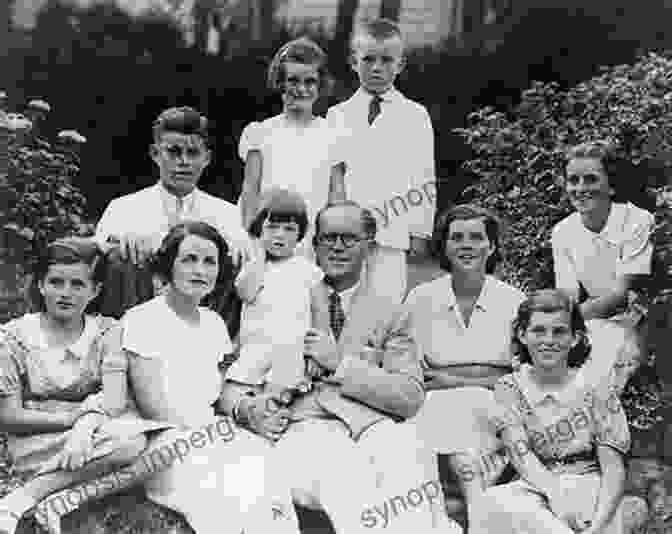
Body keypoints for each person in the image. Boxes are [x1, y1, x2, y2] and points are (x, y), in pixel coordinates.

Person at [219, 201, 462, 534]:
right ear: (314, 244)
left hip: (373, 423)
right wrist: (246, 408)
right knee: (344, 474)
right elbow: (230, 372)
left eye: (349, 238)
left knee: (409, 450)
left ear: (369, 246)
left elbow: (410, 396)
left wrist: (340, 365)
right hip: (302, 425)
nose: (336, 246)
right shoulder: (276, 293)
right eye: (328, 237)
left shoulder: (391, 309)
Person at [45, 222, 300, 534]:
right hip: (166, 441)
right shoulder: (144, 320)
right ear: (169, 266)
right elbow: (157, 409)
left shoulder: (214, 323)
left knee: (266, 473)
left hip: (211, 433)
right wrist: (217, 436)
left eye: (210, 262)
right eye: (189, 259)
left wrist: (247, 409)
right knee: (229, 493)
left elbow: (216, 392)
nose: (200, 270)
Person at [0, 238, 162, 534]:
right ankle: (28, 497)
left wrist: (84, 429)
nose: (66, 293)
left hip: (94, 434)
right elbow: (9, 417)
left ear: (95, 290)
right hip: (38, 436)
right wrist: (72, 421)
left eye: (78, 284)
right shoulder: (12, 338)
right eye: (56, 282)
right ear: (40, 285)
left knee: (149, 447)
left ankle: (50, 498)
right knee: (132, 445)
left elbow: (114, 398)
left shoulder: (107, 331)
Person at [471, 290, 630, 534]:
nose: (548, 340)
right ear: (522, 335)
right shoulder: (510, 387)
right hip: (537, 484)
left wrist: (598, 526)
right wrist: (557, 496)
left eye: (559, 331)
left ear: (575, 338)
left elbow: (613, 469)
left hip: (591, 486)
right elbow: (521, 456)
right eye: (538, 331)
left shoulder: (596, 386)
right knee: (490, 504)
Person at [404, 204, 526, 508]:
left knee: (470, 456)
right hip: (435, 404)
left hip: (494, 403)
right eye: (457, 238)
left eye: (476, 237)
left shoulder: (513, 301)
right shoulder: (421, 298)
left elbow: (521, 375)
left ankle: (475, 512)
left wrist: (453, 378)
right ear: (444, 247)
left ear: (492, 245)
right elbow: (415, 372)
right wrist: (481, 375)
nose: (467, 245)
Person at [94, 106, 250, 326]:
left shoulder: (227, 214)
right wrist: (119, 241)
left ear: (206, 158)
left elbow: (247, 272)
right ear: (155, 154)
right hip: (139, 318)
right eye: (174, 152)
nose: (183, 161)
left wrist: (242, 248)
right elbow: (97, 260)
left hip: (205, 318)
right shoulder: (123, 208)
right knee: (120, 255)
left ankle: (218, 351)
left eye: (193, 153)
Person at [327, 18, 436, 304]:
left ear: (400, 65)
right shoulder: (338, 115)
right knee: (344, 300)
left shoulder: (414, 116)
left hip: (393, 230)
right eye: (368, 59)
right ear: (353, 61)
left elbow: (424, 176)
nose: (377, 68)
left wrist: (419, 232)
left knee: (386, 304)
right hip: (346, 231)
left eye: (386, 60)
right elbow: (332, 174)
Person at [552, 140, 655, 392]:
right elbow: (568, 296)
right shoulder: (563, 232)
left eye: (591, 179)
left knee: (594, 373)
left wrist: (565, 320)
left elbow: (620, 296)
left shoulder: (637, 221)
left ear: (611, 186)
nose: (580, 188)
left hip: (633, 322)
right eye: (573, 180)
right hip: (590, 322)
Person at [238, 37, 347, 257]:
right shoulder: (260, 133)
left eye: (310, 82)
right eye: (293, 81)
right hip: (267, 238)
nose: (301, 89)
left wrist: (331, 241)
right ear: (281, 83)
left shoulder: (333, 135)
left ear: (320, 85)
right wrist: (253, 243)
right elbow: (250, 191)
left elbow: (336, 197)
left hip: (312, 242)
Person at [227, 188, 323, 393]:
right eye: (271, 227)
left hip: (291, 352)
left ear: (300, 234)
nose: (280, 235)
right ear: (259, 230)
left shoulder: (308, 270)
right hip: (255, 348)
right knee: (240, 389)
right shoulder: (254, 268)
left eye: (289, 229)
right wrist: (260, 255)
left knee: (279, 394)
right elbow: (245, 293)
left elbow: (320, 313)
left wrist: (316, 354)